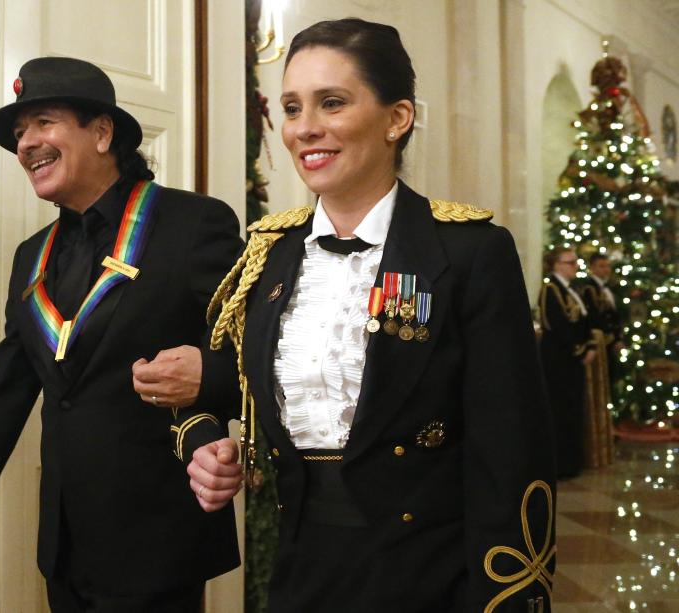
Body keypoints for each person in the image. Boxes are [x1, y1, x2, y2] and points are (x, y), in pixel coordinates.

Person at [135, 18, 556, 612]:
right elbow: (227, 381)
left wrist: (506, 597)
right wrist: (204, 443)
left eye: (332, 103)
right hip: (301, 569)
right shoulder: (270, 255)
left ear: (397, 118)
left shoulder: (467, 252)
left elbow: (511, 450)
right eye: (291, 107)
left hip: (432, 579)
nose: (305, 128)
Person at [0, 57, 242, 612]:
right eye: (20, 134)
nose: (25, 144)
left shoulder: (194, 225)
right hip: (65, 547)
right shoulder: (31, 258)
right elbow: (5, 395)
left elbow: (259, 353)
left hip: (158, 545)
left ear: (101, 132)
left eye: (43, 122)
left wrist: (208, 379)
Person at [540, 248, 595, 479]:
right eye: (570, 262)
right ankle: (561, 464)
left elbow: (584, 321)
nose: (575, 266)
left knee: (573, 410)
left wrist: (590, 344)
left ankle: (572, 461)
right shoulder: (550, 289)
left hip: (573, 361)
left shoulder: (571, 290)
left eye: (575, 262)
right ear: (557, 265)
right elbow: (557, 326)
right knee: (560, 410)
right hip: (559, 361)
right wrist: (579, 350)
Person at [578, 253, 623, 377]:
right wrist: (611, 337)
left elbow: (614, 315)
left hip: (610, 341)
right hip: (601, 341)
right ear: (592, 268)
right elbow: (594, 317)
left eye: (608, 266)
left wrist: (618, 337)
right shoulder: (589, 289)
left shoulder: (608, 288)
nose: (606, 269)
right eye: (601, 266)